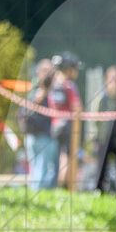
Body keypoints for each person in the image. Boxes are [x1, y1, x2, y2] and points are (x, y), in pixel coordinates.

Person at [89, 65, 116, 194]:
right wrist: (94, 139)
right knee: (101, 167)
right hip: (104, 139)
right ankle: (98, 190)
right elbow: (94, 120)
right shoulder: (102, 98)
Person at [20, 59, 59, 190]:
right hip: (35, 136)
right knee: (38, 169)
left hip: (43, 136)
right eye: (45, 71)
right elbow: (23, 113)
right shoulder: (35, 92)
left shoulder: (53, 91)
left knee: (41, 168)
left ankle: (37, 193)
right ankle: (36, 196)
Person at [48, 52, 83, 188]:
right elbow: (77, 106)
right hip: (69, 126)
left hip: (55, 125)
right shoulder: (70, 86)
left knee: (59, 157)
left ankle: (58, 184)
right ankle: (66, 186)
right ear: (69, 70)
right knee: (68, 157)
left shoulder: (55, 85)